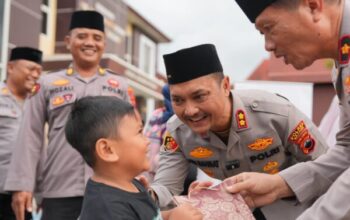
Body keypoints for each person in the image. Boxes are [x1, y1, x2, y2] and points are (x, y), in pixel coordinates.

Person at [149, 43, 329, 219]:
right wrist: (144, 195)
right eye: (178, 100)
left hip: (301, 210)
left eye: (199, 96)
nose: (190, 111)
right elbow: (166, 187)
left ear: (226, 86)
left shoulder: (275, 114)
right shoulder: (177, 131)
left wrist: (282, 187)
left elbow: (327, 167)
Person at [225, 0, 350, 219]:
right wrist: (278, 184)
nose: (268, 46)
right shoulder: (342, 62)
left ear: (313, 6)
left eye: (269, 28)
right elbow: (347, 150)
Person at [4, 11, 129, 220]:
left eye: (97, 38)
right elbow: (30, 136)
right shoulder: (47, 84)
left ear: (104, 45)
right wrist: (22, 185)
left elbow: (130, 137)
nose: (90, 43)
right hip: (59, 189)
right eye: (82, 36)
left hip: (110, 189)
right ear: (68, 41)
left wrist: (134, 181)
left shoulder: (119, 86)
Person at [65, 96, 203, 220]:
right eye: (139, 132)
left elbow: (152, 215)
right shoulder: (107, 209)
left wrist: (178, 207)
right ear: (107, 150)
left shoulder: (133, 185)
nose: (147, 141)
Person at [0, 47, 42, 220]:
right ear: (11, 67)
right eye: (30, 69)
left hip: (23, 194)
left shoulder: (36, 105)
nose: (35, 75)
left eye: (39, 71)